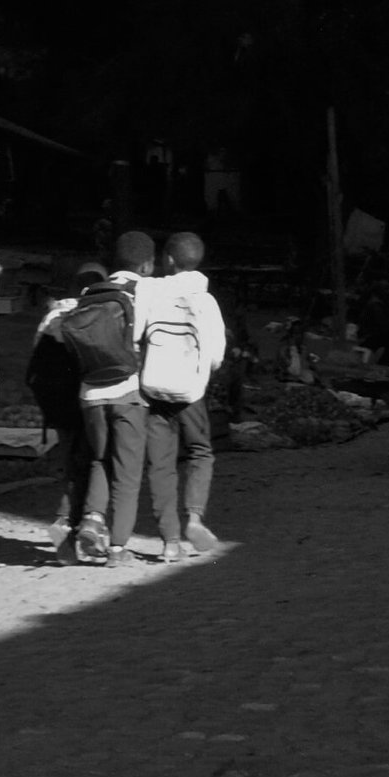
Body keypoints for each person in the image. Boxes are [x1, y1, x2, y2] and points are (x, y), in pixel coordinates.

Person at [138, 231, 228, 562]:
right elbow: (217, 355)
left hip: (154, 391)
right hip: (191, 393)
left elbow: (138, 336)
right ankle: (195, 517)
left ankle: (169, 541)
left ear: (169, 260)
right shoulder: (206, 302)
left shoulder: (152, 293)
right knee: (201, 453)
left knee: (160, 465)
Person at [73, 232, 156, 566]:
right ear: (148, 263)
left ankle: (92, 519)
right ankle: (118, 548)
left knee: (100, 460)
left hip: (90, 393)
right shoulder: (147, 291)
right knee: (128, 472)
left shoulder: (90, 292)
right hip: (127, 391)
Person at [27, 263, 102, 562]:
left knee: (70, 460)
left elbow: (35, 354)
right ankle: (71, 523)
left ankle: (67, 531)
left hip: (55, 400)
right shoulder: (97, 310)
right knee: (90, 463)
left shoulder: (53, 314)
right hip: (86, 396)